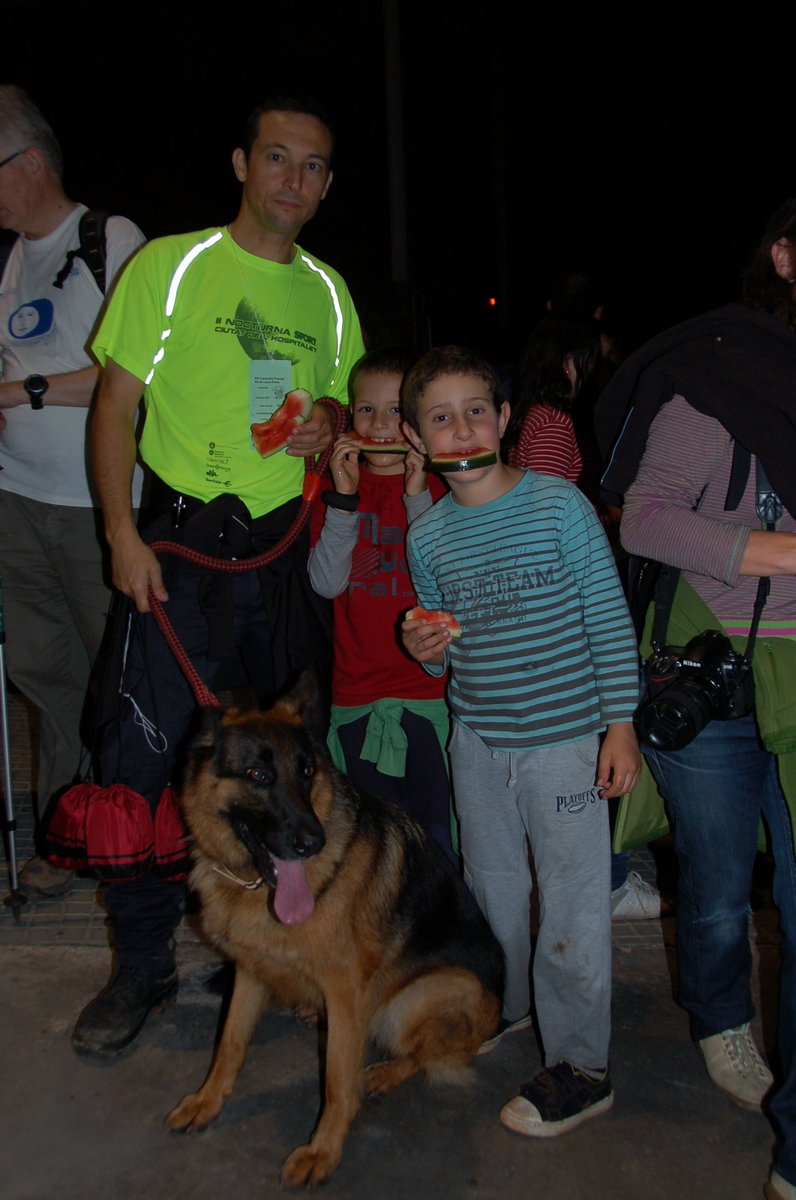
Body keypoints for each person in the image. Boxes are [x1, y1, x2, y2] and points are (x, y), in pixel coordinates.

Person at [71, 96, 365, 1062]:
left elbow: (341, 404)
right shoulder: (172, 264)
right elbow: (114, 408)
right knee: (140, 759)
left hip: (280, 560)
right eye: (277, 158)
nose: (293, 180)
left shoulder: (329, 292)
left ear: (327, 182)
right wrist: (121, 532)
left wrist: (328, 422)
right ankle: (142, 962)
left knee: (292, 763)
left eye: (313, 166)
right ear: (242, 163)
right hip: (177, 548)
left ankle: (275, 946)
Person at [598, 199, 796, 1200]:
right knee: (716, 887)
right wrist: (776, 553)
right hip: (714, 667)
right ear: (784, 256)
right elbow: (644, 519)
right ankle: (722, 1023)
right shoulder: (719, 372)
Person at [400, 345, 641, 1136]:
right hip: (478, 744)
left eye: (476, 410)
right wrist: (423, 645)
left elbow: (607, 618)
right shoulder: (428, 536)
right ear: (417, 438)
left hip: (565, 744)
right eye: (441, 418)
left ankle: (582, 1065)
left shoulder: (559, 507)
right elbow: (441, 644)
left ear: (504, 419)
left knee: (572, 905)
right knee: (493, 888)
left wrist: (620, 723)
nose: (462, 428)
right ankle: (507, 1005)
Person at [0, 86, 145, 897]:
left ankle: (137, 828)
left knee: (116, 674)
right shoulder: (12, 260)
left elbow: (138, 374)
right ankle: (66, 833)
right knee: (42, 671)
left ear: (29, 161)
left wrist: (25, 394)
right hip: (15, 499)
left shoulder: (109, 240)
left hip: (96, 505)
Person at [505, 315, 662, 921]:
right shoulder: (552, 422)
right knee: (593, 744)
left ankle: (600, 879)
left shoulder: (528, 418)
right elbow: (542, 521)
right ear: (570, 364)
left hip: (539, 611)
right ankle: (608, 882)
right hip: (558, 608)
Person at [308, 346, 456, 864]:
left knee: (439, 837)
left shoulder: (440, 490)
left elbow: (447, 580)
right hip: (356, 693)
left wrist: (416, 497)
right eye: (366, 410)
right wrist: (345, 500)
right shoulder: (334, 490)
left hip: (430, 695)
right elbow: (327, 584)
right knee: (375, 847)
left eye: (394, 410)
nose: (378, 425)